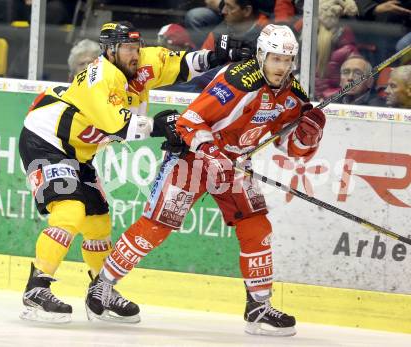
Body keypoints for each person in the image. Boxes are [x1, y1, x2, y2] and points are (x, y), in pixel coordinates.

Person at [88, 24, 327, 337]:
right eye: (274, 59)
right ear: (261, 56)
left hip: (235, 165)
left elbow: (294, 150)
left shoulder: (294, 97)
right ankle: (102, 288)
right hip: (193, 158)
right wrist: (214, 156)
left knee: (257, 226)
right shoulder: (238, 81)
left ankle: (258, 306)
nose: (280, 67)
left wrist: (309, 132)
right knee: (157, 226)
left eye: (286, 60)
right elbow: (190, 121)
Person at [19, 21, 239, 324]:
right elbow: (119, 126)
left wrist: (218, 57)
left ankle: (101, 291)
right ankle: (36, 289)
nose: (135, 54)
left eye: (136, 47)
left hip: (79, 152)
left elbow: (182, 64)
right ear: (110, 51)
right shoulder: (100, 78)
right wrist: (162, 127)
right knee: (70, 210)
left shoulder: (143, 62)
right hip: (44, 140)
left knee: (98, 222)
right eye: (127, 48)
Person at [201, 0, 268, 52]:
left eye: (230, 7)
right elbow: (200, 63)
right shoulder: (217, 34)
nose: (223, 11)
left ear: (247, 10)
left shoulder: (269, 33)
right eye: (224, 4)